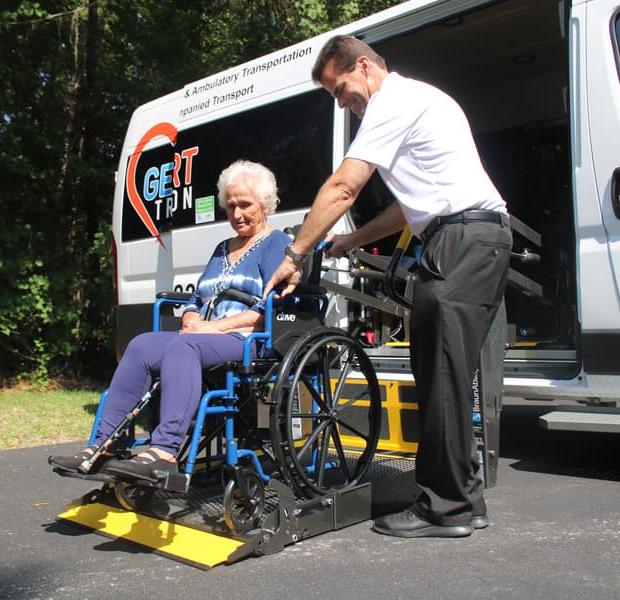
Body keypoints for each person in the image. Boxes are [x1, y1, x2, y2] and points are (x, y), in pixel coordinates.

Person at [263, 36, 511, 538]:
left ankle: (445, 508)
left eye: (341, 88)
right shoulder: (420, 102)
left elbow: (343, 186)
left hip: (461, 239)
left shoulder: (392, 101)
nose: (341, 101)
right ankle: (465, 499)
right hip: (478, 237)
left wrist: (297, 254)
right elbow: (407, 209)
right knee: (449, 377)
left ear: (363, 66)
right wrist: (349, 239)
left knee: (440, 376)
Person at [50, 160, 291, 479]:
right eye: (230, 206)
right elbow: (195, 299)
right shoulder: (222, 249)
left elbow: (268, 310)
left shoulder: (277, 245)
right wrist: (192, 317)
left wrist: (211, 327)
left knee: (183, 348)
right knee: (142, 345)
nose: (237, 214)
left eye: (245, 205)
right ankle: (106, 445)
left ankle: (165, 451)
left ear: (265, 203)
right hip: (204, 338)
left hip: (247, 340)